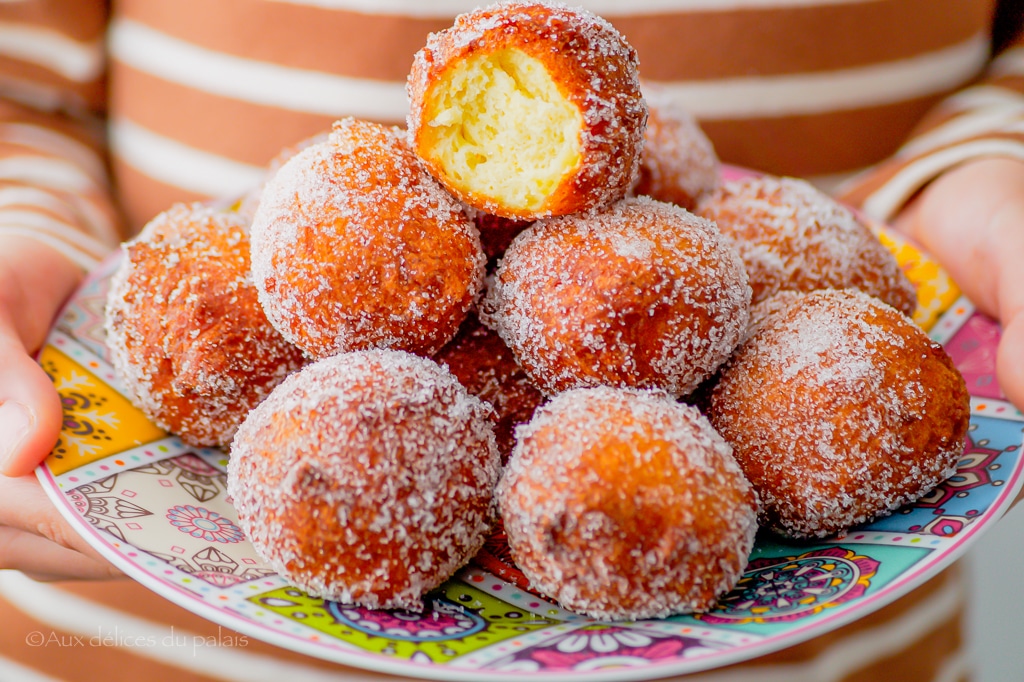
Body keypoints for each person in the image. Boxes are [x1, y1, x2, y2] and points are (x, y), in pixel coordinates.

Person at [0, 0, 1021, 679]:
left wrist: (987, 166)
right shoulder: (404, 265)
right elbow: (21, 91)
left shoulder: (657, 253)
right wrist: (22, 225)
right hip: (162, 646)